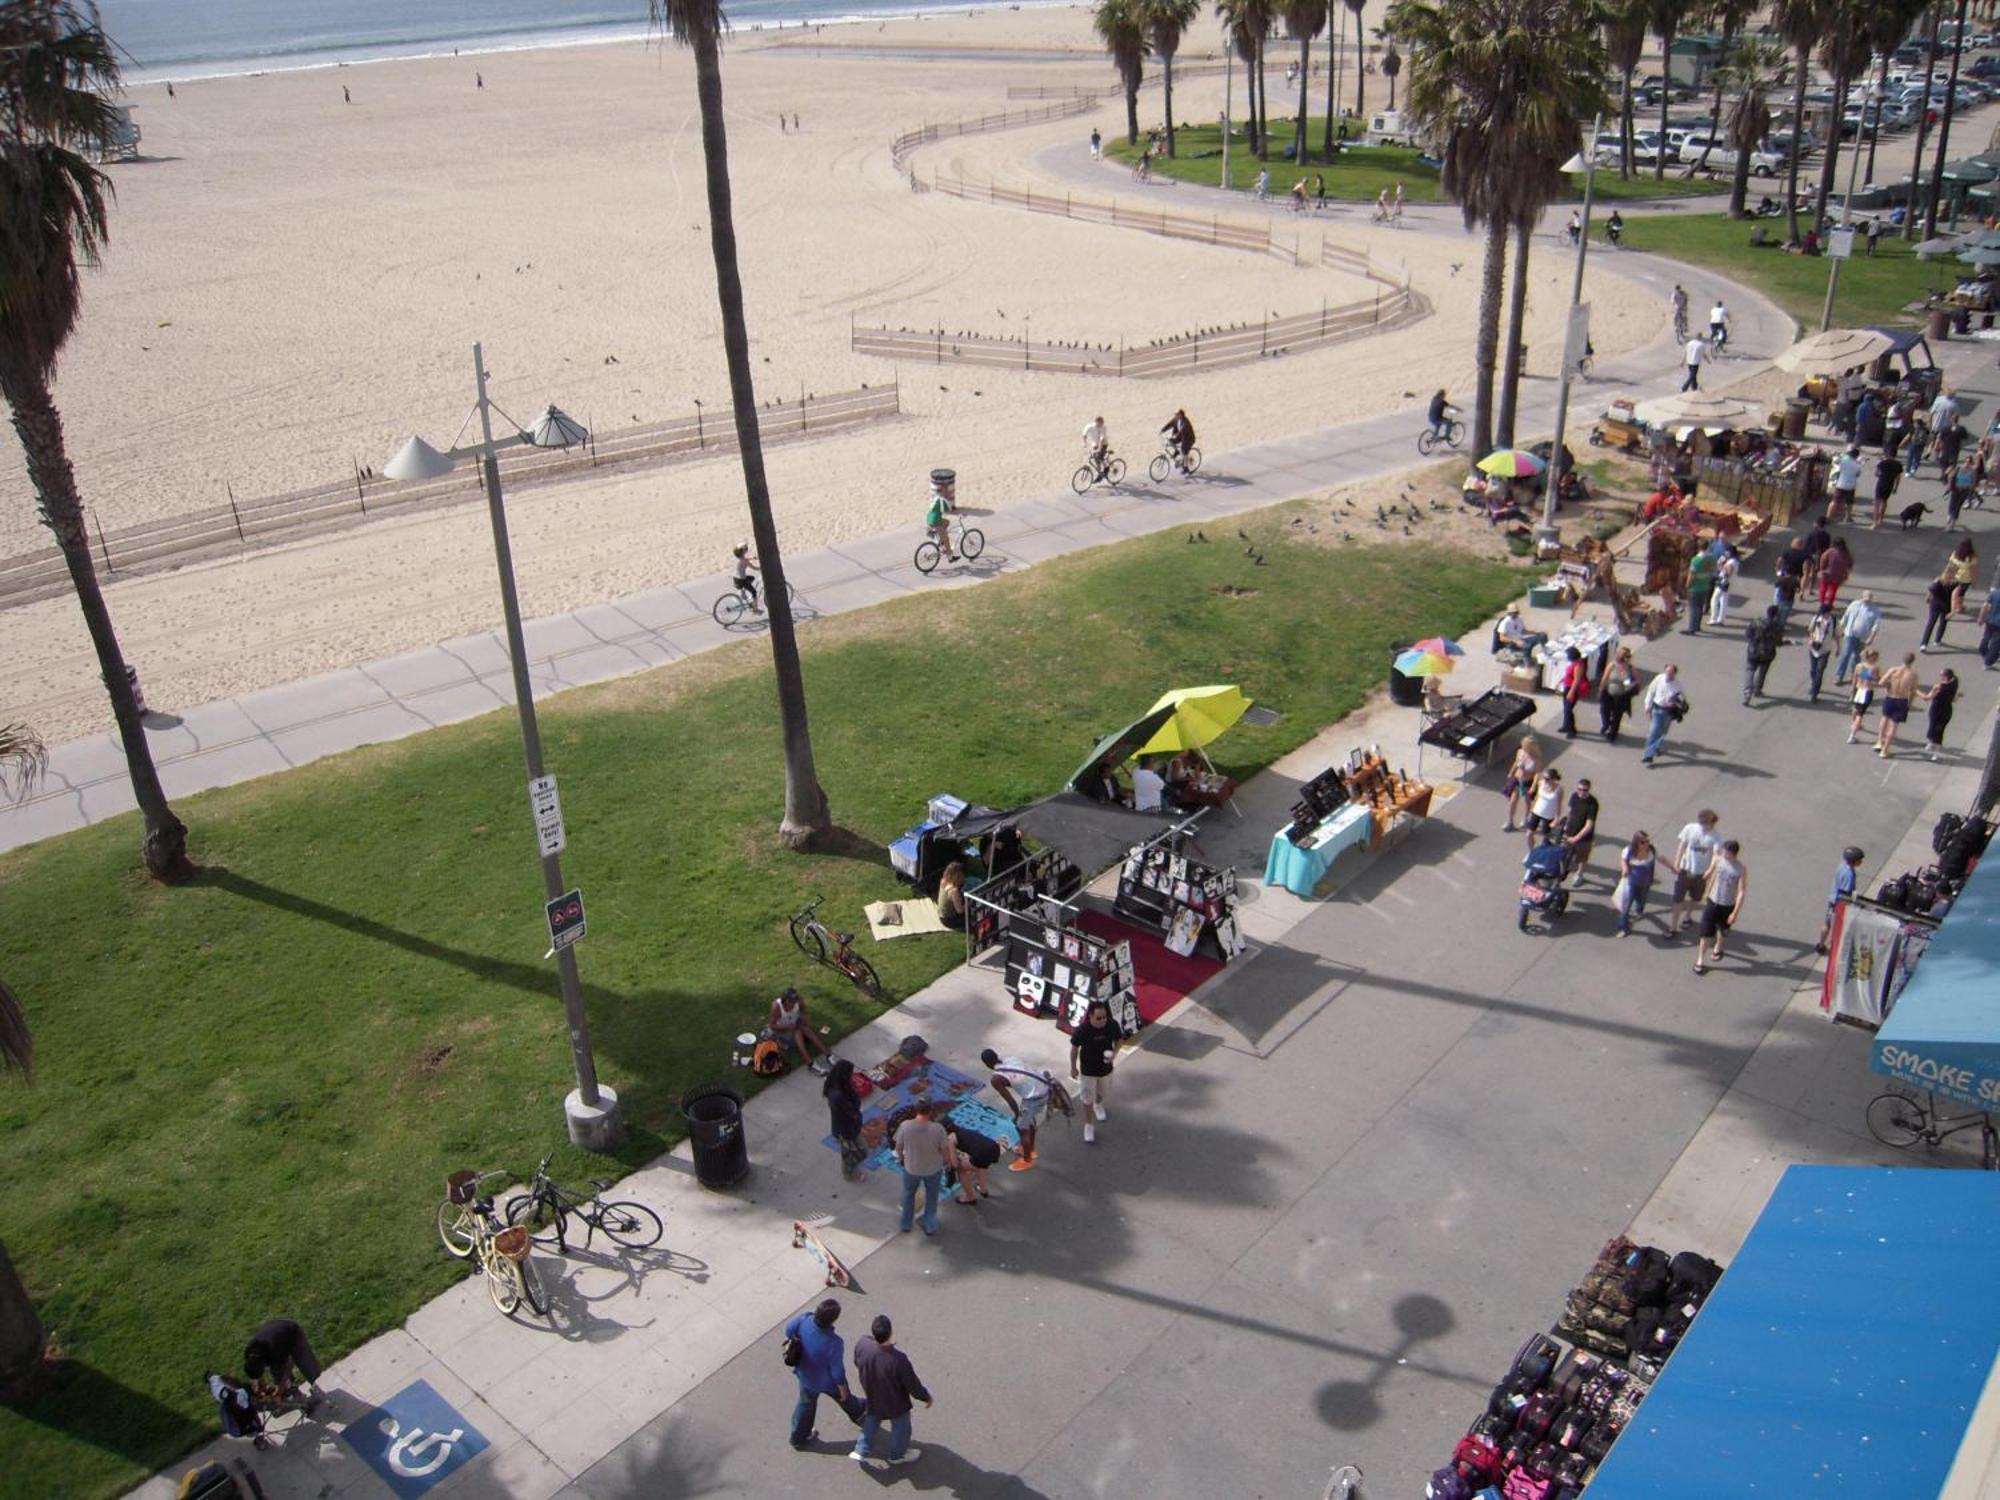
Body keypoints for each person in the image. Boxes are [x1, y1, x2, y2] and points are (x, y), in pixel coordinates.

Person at [850, 1315, 932, 1468]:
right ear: (890, 1331)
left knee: (872, 1419)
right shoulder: (898, 1359)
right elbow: (912, 1384)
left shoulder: (863, 1344)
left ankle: (861, 1449)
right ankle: (897, 1455)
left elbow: (857, 1361)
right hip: (895, 1401)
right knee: (901, 1427)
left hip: (873, 1393)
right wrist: (926, 1396)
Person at [784, 1299, 866, 1449]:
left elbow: (788, 1330)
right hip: (826, 1381)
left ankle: (798, 1436)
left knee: (805, 1404)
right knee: (843, 1396)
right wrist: (843, 1388)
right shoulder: (834, 1342)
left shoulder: (804, 1320)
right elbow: (837, 1372)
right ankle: (858, 1413)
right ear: (833, 1320)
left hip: (805, 1374)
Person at [980, 1048, 1053, 1170]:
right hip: (1045, 1086)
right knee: (1029, 1121)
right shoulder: (1011, 1059)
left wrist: (1017, 1114)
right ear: (997, 1055)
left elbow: (1010, 1099)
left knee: (1022, 1127)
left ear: (987, 1064)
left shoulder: (996, 1079)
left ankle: (1027, 1159)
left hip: (1034, 1097)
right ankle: (1029, 1149)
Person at [1069, 998, 1125, 1144]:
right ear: (1090, 1017)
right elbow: (1074, 1048)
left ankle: (1098, 1104)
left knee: (1102, 1093)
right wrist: (1073, 1067)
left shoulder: (1112, 1024)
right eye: (1098, 1018)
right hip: (1088, 1070)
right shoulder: (1082, 1030)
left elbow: (1119, 1039)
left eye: (1105, 1017)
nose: (1102, 1020)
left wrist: (1115, 1053)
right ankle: (1088, 1125)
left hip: (1106, 1069)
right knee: (1087, 1097)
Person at [894, 1100, 950, 1236]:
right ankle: (930, 1225)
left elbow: (898, 1147)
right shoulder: (938, 1129)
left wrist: (901, 1157)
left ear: (915, 1110)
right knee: (932, 1196)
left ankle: (906, 1224)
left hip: (911, 1168)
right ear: (930, 1111)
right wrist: (947, 1162)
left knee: (908, 1194)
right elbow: (944, 1149)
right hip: (933, 1169)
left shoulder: (905, 1126)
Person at [1693, 840, 1747, 975]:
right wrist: (1706, 876)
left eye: (1726, 852)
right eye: (1723, 851)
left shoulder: (1740, 869)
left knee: (1723, 929)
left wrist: (1735, 913)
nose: (1724, 854)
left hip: (1727, 905)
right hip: (1713, 901)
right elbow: (1710, 872)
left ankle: (1718, 947)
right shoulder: (1718, 860)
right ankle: (1700, 960)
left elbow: (1741, 892)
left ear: (1732, 853)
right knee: (1705, 932)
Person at [243, 1318, 324, 1407]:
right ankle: (292, 1392)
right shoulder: (249, 1353)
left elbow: (289, 1363)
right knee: (277, 1370)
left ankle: (318, 1389)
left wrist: (281, 1387)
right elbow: (257, 1370)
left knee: (306, 1363)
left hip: (292, 1332)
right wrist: (258, 1383)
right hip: (272, 1330)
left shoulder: (274, 1349)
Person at [1670, 809, 1721, 935]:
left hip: (1701, 873)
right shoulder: (1690, 828)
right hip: (1685, 870)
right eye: (1701, 820)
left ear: (1712, 822)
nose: (1702, 823)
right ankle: (1673, 927)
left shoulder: (1716, 837)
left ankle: (1687, 917)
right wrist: (1676, 863)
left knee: (1695, 897)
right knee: (1678, 899)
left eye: (1706, 822)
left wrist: (1710, 870)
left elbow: (1716, 855)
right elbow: (1682, 844)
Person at [1815, 845, 1865, 954]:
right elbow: (1845, 893)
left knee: (1827, 923)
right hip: (1838, 903)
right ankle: (1836, 949)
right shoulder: (1849, 874)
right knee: (1838, 927)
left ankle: (1821, 945)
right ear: (1854, 861)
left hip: (1832, 899)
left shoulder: (1842, 866)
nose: (1861, 862)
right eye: (1860, 860)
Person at [825, 1059, 867, 1179]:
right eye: (850, 1074)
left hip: (849, 1126)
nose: (852, 1076)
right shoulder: (838, 1095)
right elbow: (853, 1109)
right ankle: (849, 1173)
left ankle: (850, 1168)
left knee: (857, 1151)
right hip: (845, 1130)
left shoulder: (839, 1086)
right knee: (853, 1153)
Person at [770, 986, 829, 1070]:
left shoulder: (799, 1001)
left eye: (795, 1001)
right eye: (791, 1002)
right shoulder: (777, 1007)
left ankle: (827, 1054)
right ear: (785, 1000)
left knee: (804, 1028)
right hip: (784, 1031)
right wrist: (788, 1026)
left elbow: (803, 1011)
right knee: (798, 1031)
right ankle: (809, 1062)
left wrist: (805, 1017)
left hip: (796, 1024)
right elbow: (772, 1025)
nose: (794, 1004)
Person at [1874, 651, 1919, 757]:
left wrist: (1889, 685)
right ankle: (1885, 750)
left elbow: (1881, 682)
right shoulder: (1913, 674)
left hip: (1890, 697)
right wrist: (1910, 703)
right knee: (1893, 725)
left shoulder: (1893, 670)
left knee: (1884, 718)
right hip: (1902, 700)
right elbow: (1913, 691)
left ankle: (1879, 741)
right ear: (1912, 661)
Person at [942, 1121, 999, 1203]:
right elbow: (972, 1146)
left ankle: (970, 1197)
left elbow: (955, 1164)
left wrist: (953, 1162)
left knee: (961, 1169)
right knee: (980, 1165)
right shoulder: (963, 1131)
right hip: (993, 1147)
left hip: (981, 1153)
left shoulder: (950, 1139)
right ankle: (983, 1190)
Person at [1614, 830, 1657, 937]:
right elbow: (1623, 860)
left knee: (1642, 899)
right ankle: (1623, 927)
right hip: (1631, 882)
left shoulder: (1651, 851)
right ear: (1636, 843)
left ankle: (1639, 911)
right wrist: (1624, 868)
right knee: (1626, 905)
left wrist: (1673, 867)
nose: (1646, 844)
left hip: (1646, 882)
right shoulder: (1628, 851)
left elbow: (1662, 859)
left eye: (1647, 841)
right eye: (1643, 842)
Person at [1641, 663, 1686, 765]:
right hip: (1657, 710)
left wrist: (1676, 704)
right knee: (1653, 731)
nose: (1668, 674)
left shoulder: (1677, 685)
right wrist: (1647, 705)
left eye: (1671, 672)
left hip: (1668, 712)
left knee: (1663, 732)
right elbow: (1651, 691)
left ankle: (1657, 747)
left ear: (1675, 673)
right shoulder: (1659, 678)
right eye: (1667, 671)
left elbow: (1681, 700)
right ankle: (1648, 756)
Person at [1834, 591, 1881, 685]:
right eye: (1865, 599)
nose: (1867, 602)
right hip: (1850, 634)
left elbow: (1876, 625)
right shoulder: (1854, 604)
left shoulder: (1875, 610)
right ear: (1862, 598)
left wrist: (1871, 638)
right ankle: (1839, 675)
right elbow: (1846, 616)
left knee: (1856, 657)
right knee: (1846, 654)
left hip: (1862, 638)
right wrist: (1842, 628)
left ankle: (1853, 676)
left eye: (1869, 600)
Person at [1560, 778, 1600, 887]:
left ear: (1589, 790)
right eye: (1580, 789)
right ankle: (1564, 869)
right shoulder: (1574, 796)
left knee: (1582, 857)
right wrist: (1566, 825)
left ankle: (1579, 874)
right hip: (1570, 832)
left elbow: (1589, 825)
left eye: (1585, 790)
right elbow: (1570, 812)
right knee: (1565, 853)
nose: (1582, 792)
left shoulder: (1593, 804)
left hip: (1584, 838)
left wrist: (1577, 838)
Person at [1742, 604, 1783, 705]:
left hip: (1753, 651)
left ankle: (1747, 691)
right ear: (1776, 615)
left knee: (1750, 670)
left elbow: (1747, 634)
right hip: (1767, 653)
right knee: (1762, 672)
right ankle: (1757, 689)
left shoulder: (1756, 622)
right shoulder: (1777, 627)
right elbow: (1778, 642)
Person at [1502, 733, 1541, 832]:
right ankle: (1510, 821)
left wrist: (1533, 786)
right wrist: (1511, 772)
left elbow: (1537, 773)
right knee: (1512, 801)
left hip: (1528, 781)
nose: (1524, 747)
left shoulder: (1536, 758)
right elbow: (1516, 762)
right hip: (1517, 779)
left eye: (1526, 745)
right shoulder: (1520, 752)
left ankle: (1525, 819)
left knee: (1528, 802)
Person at [1598, 646, 1637, 742]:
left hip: (1621, 696)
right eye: (1619, 653)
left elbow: (1635, 681)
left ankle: (1612, 733)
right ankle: (1606, 725)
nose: (1620, 656)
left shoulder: (1630, 668)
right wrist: (1600, 690)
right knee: (1605, 711)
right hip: (1608, 693)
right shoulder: (1612, 665)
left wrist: (1627, 681)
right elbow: (1604, 678)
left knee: (1617, 715)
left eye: (1623, 655)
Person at [1922, 667, 1959, 760]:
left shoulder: (1939, 687)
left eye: (1941, 675)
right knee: (1939, 730)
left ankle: (1934, 750)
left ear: (1946, 677)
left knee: (1934, 729)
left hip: (1936, 710)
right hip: (1947, 710)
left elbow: (1927, 698)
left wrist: (1915, 691)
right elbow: (1954, 699)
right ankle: (1932, 746)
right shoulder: (1954, 683)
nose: (1940, 677)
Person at [1524, 765, 1563, 851]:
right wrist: (1531, 810)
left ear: (1553, 779)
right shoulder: (1541, 783)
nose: (1545, 780)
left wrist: (1556, 819)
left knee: (1545, 838)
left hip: (1548, 815)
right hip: (1536, 811)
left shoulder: (1559, 790)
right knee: (1528, 834)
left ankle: (1543, 856)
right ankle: (1532, 852)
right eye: (1544, 777)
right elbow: (1537, 797)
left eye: (1547, 778)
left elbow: (1558, 805)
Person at [1846, 646, 1880, 744]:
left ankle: (1855, 724)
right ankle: (1852, 735)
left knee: (1855, 708)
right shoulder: (1874, 668)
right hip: (1867, 691)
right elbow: (1877, 680)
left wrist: (1852, 690)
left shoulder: (1859, 665)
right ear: (1873, 657)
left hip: (1858, 688)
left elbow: (1854, 678)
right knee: (1860, 714)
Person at [1805, 603, 1836, 702]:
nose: (1823, 615)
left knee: (1819, 671)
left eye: (1825, 613)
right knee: (1813, 670)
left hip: (1825, 650)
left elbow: (1837, 635)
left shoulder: (1834, 621)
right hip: (1814, 648)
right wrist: (1811, 639)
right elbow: (1810, 630)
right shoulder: (1816, 618)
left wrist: (1838, 648)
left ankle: (1814, 693)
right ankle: (1814, 684)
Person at [1558, 647, 1589, 739]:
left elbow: (1577, 680)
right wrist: (1561, 680)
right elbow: (1568, 674)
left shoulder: (1578, 665)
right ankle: (1566, 725)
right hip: (1567, 687)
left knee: (1568, 710)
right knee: (1566, 709)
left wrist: (1571, 692)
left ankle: (1572, 730)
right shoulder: (1574, 663)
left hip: (1572, 689)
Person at [1920, 571, 1955, 652]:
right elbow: (1954, 598)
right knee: (1937, 623)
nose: (1950, 579)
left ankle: (1930, 642)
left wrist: (1928, 597)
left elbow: (1931, 590)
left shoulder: (1941, 582)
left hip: (1939, 604)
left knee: (1937, 623)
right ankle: (1931, 642)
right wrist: (1953, 611)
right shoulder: (1950, 584)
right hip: (1942, 605)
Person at [1684, 546, 1716, 633]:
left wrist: (1687, 586)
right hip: (1706, 586)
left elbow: (1691, 575)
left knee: (1694, 608)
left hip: (1695, 587)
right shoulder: (1712, 559)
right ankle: (1697, 626)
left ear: (1699, 548)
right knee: (1700, 607)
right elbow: (1713, 571)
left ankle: (1691, 628)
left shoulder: (1695, 560)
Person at [1816, 537, 1853, 609]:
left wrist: (1822, 569)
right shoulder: (1846, 553)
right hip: (1838, 576)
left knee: (1823, 588)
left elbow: (1823, 559)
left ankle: (1821, 602)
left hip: (1827, 574)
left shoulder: (1830, 551)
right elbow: (1850, 563)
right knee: (1833, 591)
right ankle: (1830, 604)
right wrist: (1845, 572)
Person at [1945, 539, 1979, 615]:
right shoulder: (1971, 558)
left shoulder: (1955, 554)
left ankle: (1954, 605)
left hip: (1955, 577)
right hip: (1965, 579)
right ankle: (1959, 607)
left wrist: (1947, 576)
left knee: (1953, 591)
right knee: (1961, 593)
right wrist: (1974, 582)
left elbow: (1950, 565)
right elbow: (1972, 571)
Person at [1707, 543, 1738, 625]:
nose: (1725, 553)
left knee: (1714, 599)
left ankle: (1713, 618)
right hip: (1728, 583)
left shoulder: (1731, 562)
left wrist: (1721, 565)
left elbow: (1728, 572)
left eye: (1727, 552)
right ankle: (1721, 619)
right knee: (1723, 600)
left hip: (1724, 582)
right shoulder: (1734, 561)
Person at [1829, 445, 1862, 521]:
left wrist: (1835, 454)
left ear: (1849, 454)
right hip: (1851, 486)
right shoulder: (1858, 465)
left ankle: (1828, 517)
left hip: (1840, 484)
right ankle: (1847, 517)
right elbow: (1858, 475)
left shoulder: (1843, 461)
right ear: (1857, 456)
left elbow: (1835, 461)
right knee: (1849, 503)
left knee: (1834, 501)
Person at [924, 483, 956, 562]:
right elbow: (949, 510)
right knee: (946, 539)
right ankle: (950, 557)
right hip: (935, 521)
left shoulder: (934, 497)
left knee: (946, 522)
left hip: (929, 519)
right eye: (945, 491)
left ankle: (938, 536)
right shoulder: (943, 500)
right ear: (943, 492)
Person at [935, 860, 968, 931]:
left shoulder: (943, 881)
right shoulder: (953, 891)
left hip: (941, 915)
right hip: (950, 921)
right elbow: (960, 911)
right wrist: (969, 902)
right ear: (957, 876)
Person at [731, 543, 762, 612]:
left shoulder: (737, 558)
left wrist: (752, 558)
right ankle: (755, 609)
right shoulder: (744, 560)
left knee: (752, 578)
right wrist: (762, 568)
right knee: (754, 592)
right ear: (743, 551)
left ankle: (743, 592)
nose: (747, 550)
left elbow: (744, 559)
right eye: (746, 549)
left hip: (736, 578)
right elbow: (754, 568)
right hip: (741, 580)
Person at [1980, 577, 2000, 669]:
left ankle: (1983, 650)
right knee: (1995, 643)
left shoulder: (1995, 593)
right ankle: (1988, 662)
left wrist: (1981, 618)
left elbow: (1985, 606)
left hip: (1990, 620)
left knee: (1986, 637)